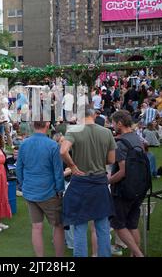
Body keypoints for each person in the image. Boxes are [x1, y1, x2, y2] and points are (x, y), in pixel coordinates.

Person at [60, 106, 116, 257]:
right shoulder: (106, 132)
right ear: (95, 115)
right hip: (99, 182)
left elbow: (63, 150)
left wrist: (72, 166)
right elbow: (111, 160)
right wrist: (97, 160)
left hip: (81, 183)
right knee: (102, 227)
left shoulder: (74, 131)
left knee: (80, 227)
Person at [17, 121, 65, 257]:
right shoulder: (52, 145)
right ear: (47, 124)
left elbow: (19, 168)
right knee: (57, 226)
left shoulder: (24, 144)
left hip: (31, 190)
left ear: (33, 125)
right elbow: (58, 171)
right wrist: (59, 189)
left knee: (36, 227)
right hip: (49, 192)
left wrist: (23, 185)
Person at [109, 110, 145, 257]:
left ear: (119, 123)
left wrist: (108, 181)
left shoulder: (120, 142)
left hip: (124, 190)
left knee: (118, 224)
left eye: (113, 123)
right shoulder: (138, 139)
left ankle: (138, 254)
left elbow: (122, 171)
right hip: (139, 188)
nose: (112, 125)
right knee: (132, 225)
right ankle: (135, 255)